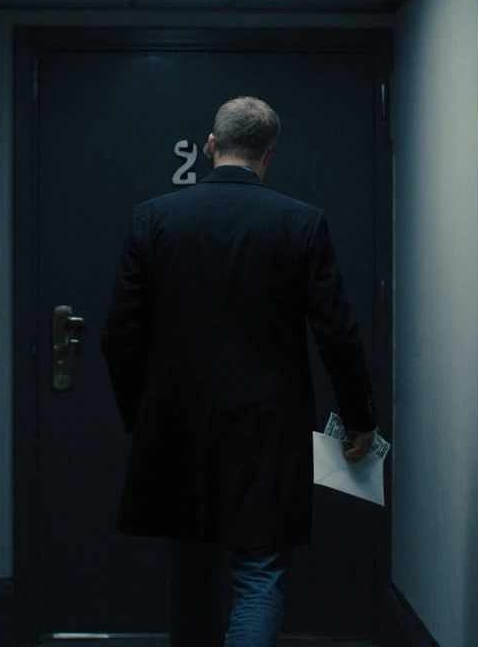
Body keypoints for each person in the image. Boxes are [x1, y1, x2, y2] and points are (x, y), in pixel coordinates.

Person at [100, 96, 377, 646]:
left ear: (211, 145)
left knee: (191, 574)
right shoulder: (302, 222)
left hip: (176, 429)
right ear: (268, 155)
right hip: (268, 431)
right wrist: (359, 417)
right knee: (259, 577)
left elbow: (119, 337)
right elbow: (337, 334)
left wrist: (141, 415)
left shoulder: (154, 218)